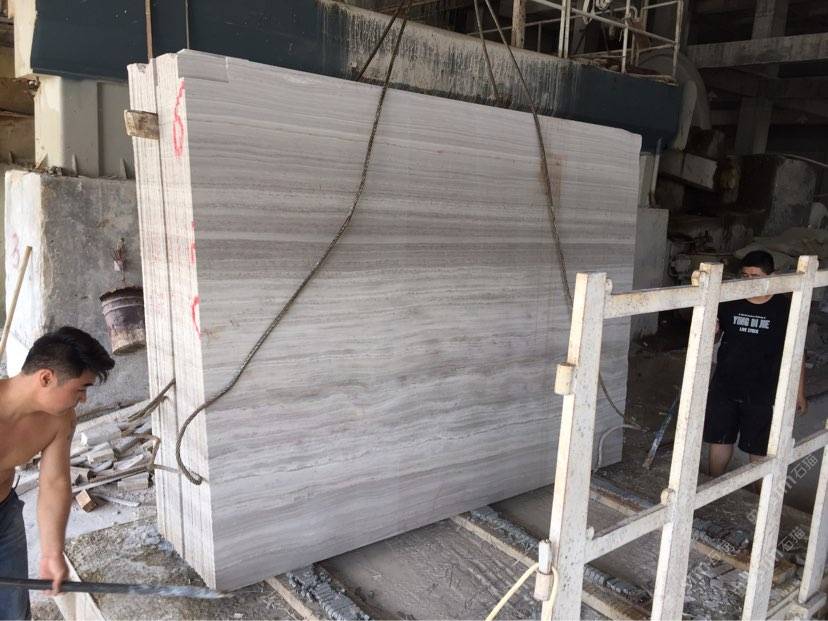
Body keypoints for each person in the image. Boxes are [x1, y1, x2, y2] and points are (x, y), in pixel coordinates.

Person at [0, 327, 114, 620]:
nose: (83, 399)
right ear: (46, 378)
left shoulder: (59, 419)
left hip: (4, 518)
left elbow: (54, 482)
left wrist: (52, 552)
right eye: (81, 388)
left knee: (12, 612)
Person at [704, 250, 807, 479]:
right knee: (720, 439)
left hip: (763, 390)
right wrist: (712, 332)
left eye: (755, 276)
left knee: (759, 449)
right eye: (745, 276)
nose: (749, 281)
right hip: (725, 384)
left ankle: (759, 495)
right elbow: (713, 338)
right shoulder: (729, 301)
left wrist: (799, 392)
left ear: (771, 276)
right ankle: (712, 486)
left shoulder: (784, 308)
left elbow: (797, 351)